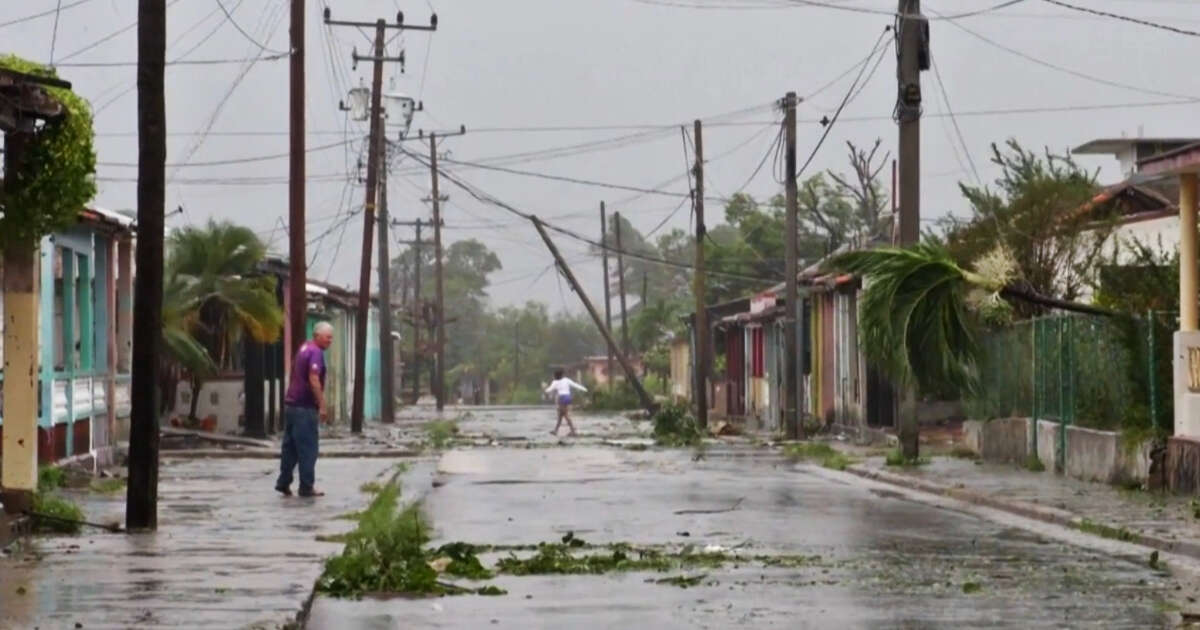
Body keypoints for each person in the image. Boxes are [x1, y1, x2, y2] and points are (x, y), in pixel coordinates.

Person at [275, 322, 333, 498]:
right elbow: (314, 379)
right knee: (308, 448)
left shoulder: (304, 348)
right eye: (328, 337)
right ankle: (306, 487)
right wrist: (322, 405)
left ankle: (283, 482)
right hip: (305, 407)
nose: (330, 341)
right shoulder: (316, 352)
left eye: (331, 337)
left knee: (290, 448)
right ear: (317, 335)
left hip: (291, 405)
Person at [544, 369, 587, 436]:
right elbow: (575, 385)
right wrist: (584, 389)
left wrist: (545, 390)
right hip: (568, 397)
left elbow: (549, 390)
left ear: (555, 376)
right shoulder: (566, 380)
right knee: (560, 415)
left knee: (565, 415)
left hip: (562, 398)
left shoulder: (555, 382)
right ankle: (556, 431)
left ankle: (572, 430)